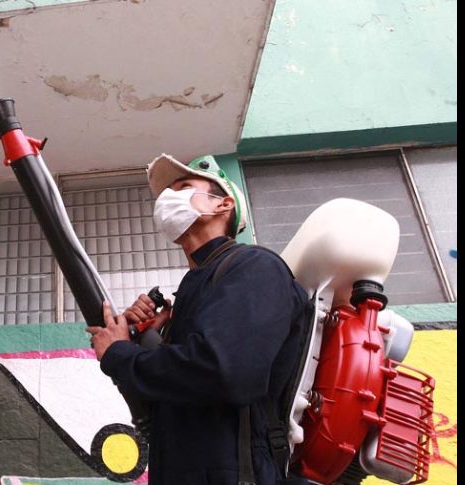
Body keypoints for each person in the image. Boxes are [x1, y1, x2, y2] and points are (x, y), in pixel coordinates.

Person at [87, 154, 310, 485]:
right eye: (169, 191)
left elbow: (223, 370)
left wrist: (121, 355)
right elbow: (178, 395)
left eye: (185, 187)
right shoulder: (198, 287)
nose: (169, 197)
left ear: (223, 205)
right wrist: (141, 340)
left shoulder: (253, 267)